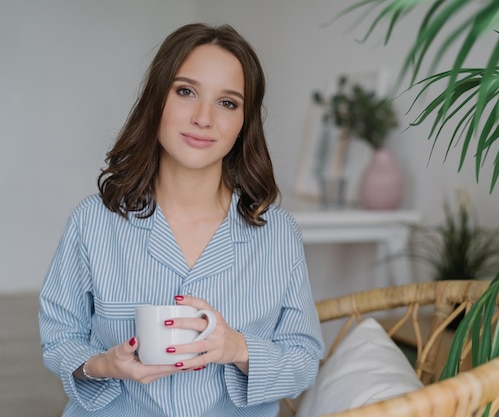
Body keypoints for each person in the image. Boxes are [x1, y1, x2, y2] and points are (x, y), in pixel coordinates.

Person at [39, 23, 324, 417]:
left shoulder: (278, 234)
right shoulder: (93, 223)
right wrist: (103, 364)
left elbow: (304, 360)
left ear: (244, 122)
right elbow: (59, 340)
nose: (203, 118)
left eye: (228, 102)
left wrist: (238, 348)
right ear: (157, 100)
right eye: (186, 91)